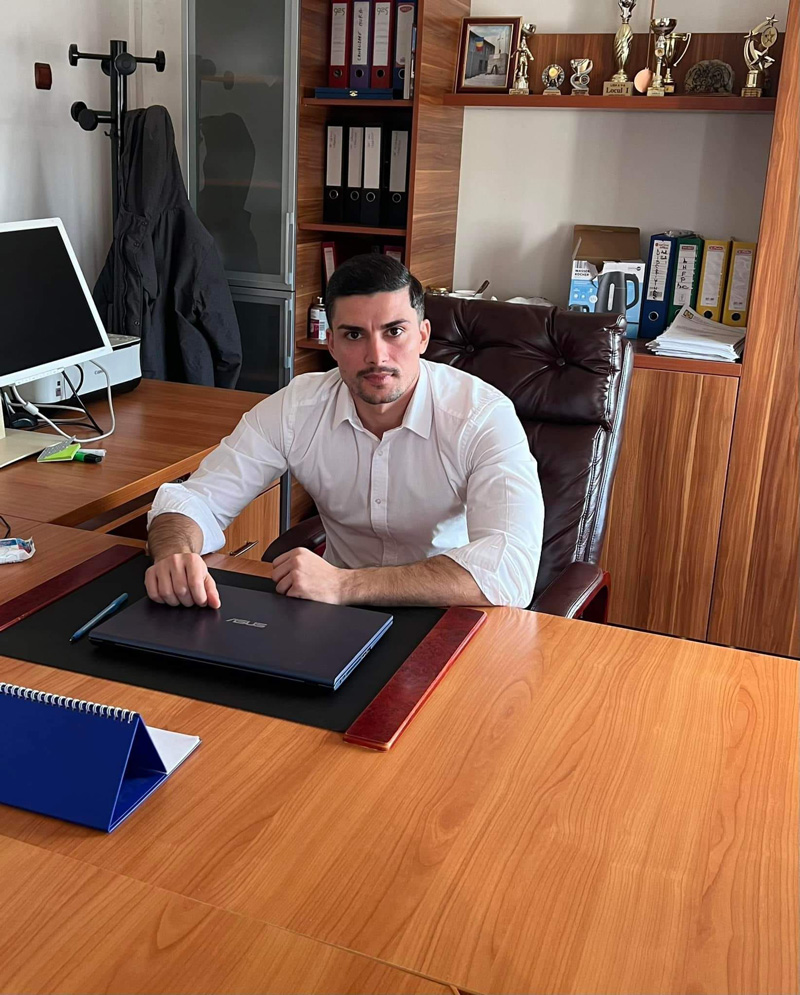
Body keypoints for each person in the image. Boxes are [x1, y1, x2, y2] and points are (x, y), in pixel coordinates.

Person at [145, 254, 544, 610]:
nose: (377, 356)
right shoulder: (297, 409)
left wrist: (346, 584)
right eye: (355, 335)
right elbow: (195, 500)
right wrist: (174, 553)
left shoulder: (481, 417)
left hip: (446, 606)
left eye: (394, 331)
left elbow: (509, 569)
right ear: (331, 343)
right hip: (334, 613)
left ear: (423, 336)